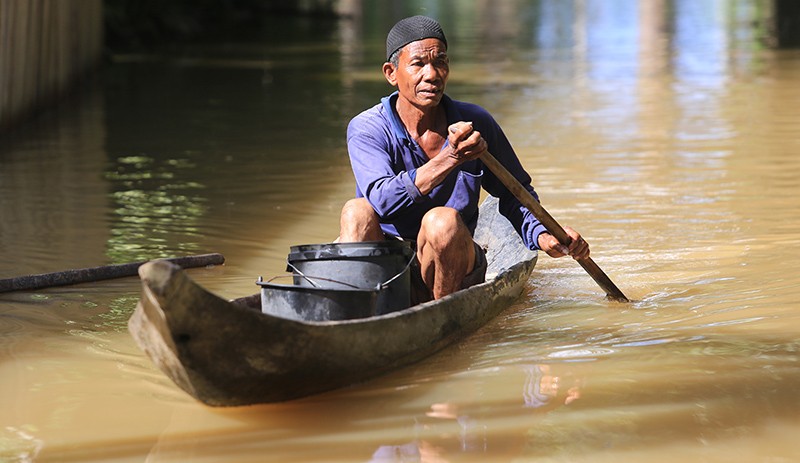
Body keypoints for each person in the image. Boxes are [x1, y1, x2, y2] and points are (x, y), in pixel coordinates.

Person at [338, 15, 589, 303]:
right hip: (387, 265)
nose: (432, 74)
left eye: (440, 62)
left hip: (453, 261)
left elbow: (515, 193)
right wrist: (451, 158)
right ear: (391, 73)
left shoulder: (475, 122)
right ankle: (364, 309)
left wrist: (543, 235)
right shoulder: (368, 128)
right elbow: (382, 200)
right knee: (356, 212)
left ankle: (441, 312)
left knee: (442, 221)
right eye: (418, 64)